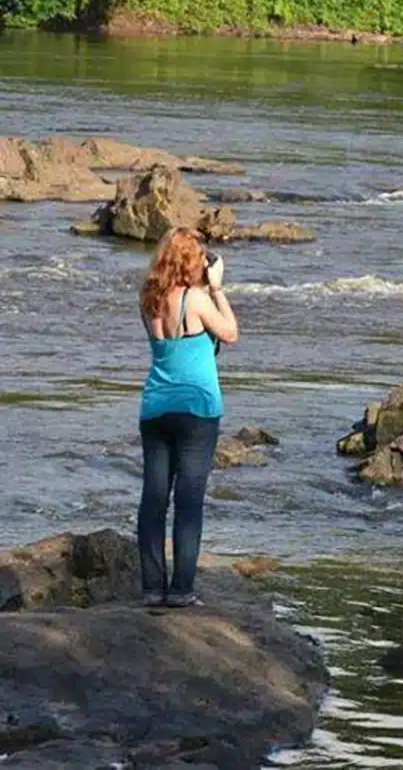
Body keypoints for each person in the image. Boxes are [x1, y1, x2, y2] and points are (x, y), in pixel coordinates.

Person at [137, 227, 238, 606]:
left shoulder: (147, 298)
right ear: (188, 261)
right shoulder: (195, 298)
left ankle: (150, 588)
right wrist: (217, 288)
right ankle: (180, 591)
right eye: (198, 256)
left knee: (154, 498)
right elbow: (229, 334)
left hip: (156, 407)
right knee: (189, 500)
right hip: (197, 409)